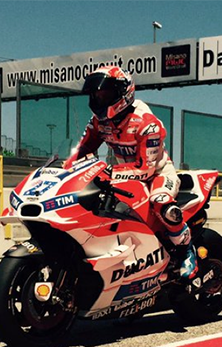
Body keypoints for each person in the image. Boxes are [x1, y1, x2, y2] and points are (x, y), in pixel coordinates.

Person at [63, 65, 197, 280]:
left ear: (123, 93)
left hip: (157, 174)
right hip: (123, 174)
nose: (99, 99)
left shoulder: (146, 123)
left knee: (160, 201)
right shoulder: (99, 122)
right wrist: (65, 168)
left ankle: (186, 251)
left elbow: (145, 169)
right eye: (96, 95)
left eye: (105, 94)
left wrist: (107, 172)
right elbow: (83, 149)